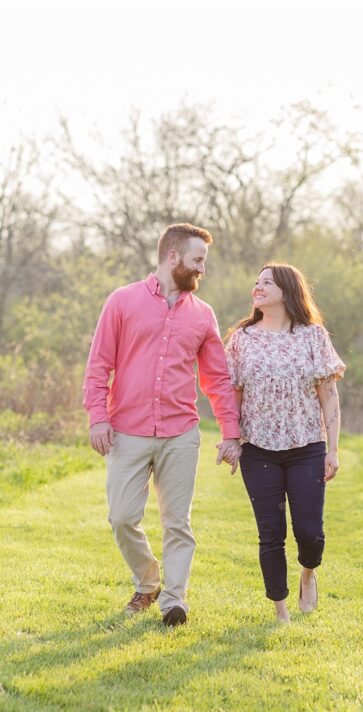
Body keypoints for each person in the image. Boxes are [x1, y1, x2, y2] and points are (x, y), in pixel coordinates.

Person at [83, 222, 242, 628]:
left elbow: (217, 380)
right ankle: (149, 579)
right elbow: (99, 365)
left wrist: (230, 433)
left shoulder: (203, 315)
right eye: (197, 260)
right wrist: (98, 418)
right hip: (127, 431)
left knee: (177, 522)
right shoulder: (122, 302)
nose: (202, 269)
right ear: (173, 258)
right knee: (121, 517)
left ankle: (175, 601)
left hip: (180, 433)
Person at [224, 263, 344, 624]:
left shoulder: (312, 336)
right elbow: (232, 395)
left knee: (309, 530)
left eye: (266, 283)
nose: (257, 287)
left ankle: (308, 572)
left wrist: (332, 449)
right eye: (256, 282)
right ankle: (280, 608)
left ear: (287, 290)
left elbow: (329, 395)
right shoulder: (242, 339)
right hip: (258, 449)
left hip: (306, 445)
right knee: (270, 533)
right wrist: (230, 437)